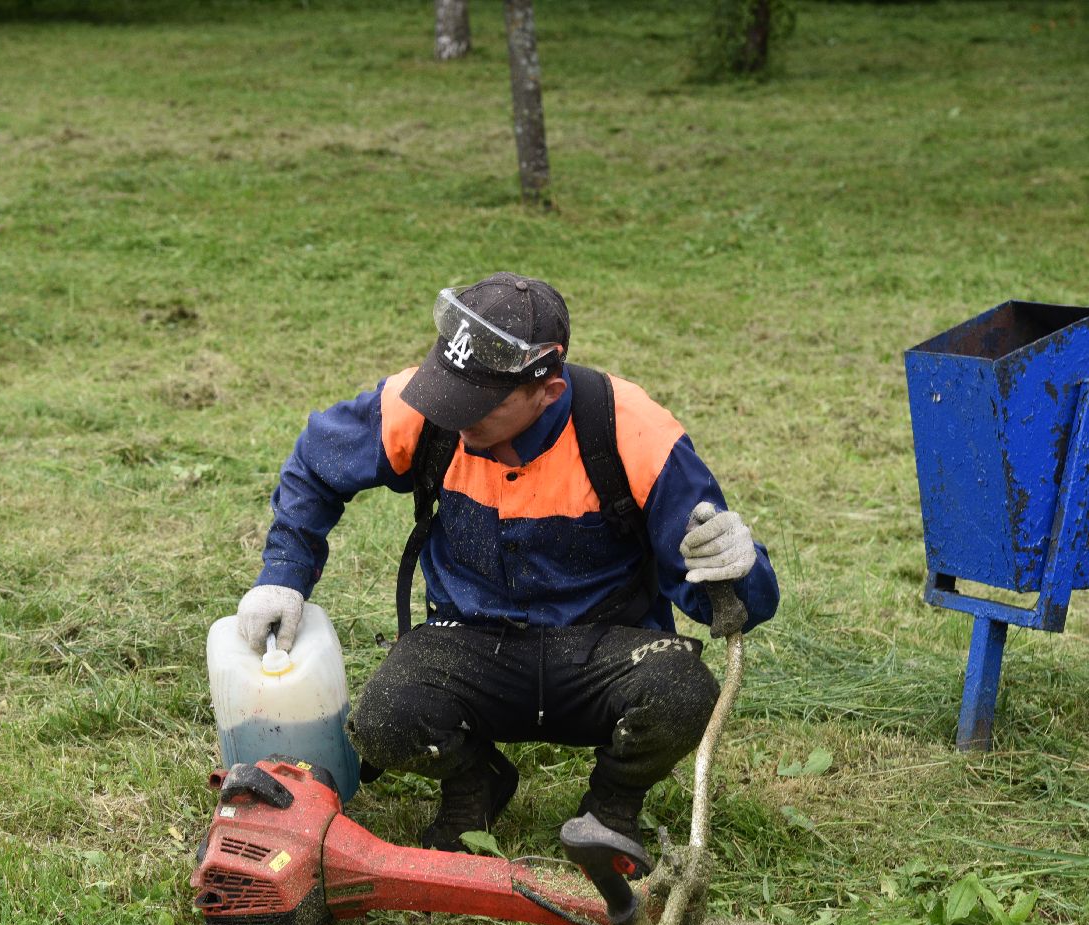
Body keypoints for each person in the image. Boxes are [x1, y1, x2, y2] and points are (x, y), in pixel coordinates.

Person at [234, 272, 778, 875]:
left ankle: (611, 812)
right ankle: (476, 784)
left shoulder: (633, 430)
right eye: (448, 391)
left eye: (477, 405)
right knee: (383, 720)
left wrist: (739, 565)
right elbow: (317, 462)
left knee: (682, 689)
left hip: (602, 652)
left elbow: (723, 604)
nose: (453, 415)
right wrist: (282, 574)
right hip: (466, 640)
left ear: (546, 390)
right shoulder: (427, 404)